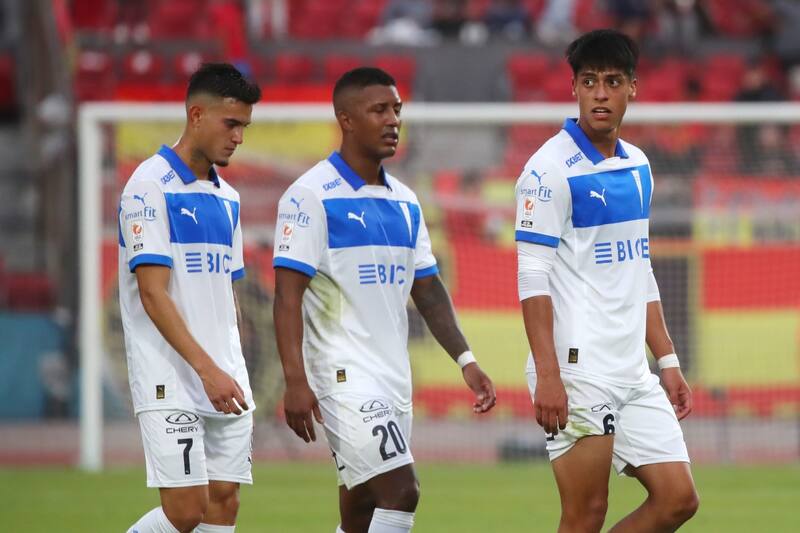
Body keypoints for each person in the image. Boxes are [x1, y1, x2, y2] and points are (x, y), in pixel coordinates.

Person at [272, 67, 496, 533]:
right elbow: (287, 295)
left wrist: (466, 359)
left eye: (396, 109)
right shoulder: (310, 196)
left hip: (393, 378)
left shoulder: (406, 202)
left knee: (361, 513)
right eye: (379, 110)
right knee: (402, 491)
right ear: (346, 119)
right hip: (341, 375)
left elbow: (429, 290)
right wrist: (295, 380)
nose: (393, 120)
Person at [515, 30, 699, 532]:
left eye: (612, 81)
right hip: (577, 368)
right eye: (589, 81)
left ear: (632, 88)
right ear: (574, 87)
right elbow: (532, 276)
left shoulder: (638, 165)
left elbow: (639, 269)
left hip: (632, 369)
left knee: (678, 499)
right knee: (586, 514)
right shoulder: (547, 170)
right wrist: (549, 374)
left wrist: (668, 360)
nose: (600, 93)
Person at [119, 63, 261, 533]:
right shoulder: (148, 186)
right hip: (172, 374)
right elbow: (153, 294)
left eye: (244, 126)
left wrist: (233, 364)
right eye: (231, 123)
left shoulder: (229, 198)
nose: (238, 136)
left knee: (224, 504)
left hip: (225, 372)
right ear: (196, 114)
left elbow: (227, 292)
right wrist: (207, 371)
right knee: (185, 512)